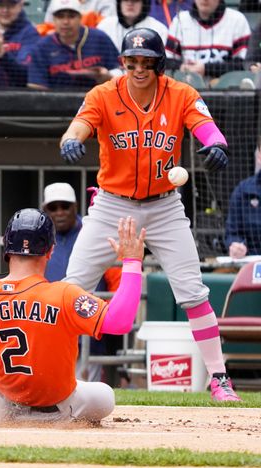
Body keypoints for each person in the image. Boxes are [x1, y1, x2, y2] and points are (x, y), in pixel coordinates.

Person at [58, 28, 242, 401]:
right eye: (132, 61)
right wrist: (72, 140)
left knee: (193, 292)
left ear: (159, 64)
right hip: (112, 205)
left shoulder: (180, 93)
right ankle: (56, 375)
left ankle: (219, 379)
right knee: (70, 289)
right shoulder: (103, 94)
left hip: (164, 207)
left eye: (146, 62)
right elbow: (78, 126)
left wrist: (217, 145)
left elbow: (207, 128)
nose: (139, 68)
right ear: (123, 62)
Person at [0, 209, 146, 423]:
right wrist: (132, 262)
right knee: (105, 395)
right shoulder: (64, 294)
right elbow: (120, 322)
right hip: (58, 410)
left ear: (7, 249)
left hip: (2, 407)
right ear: (50, 250)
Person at [42, 182, 122, 382]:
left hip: (87, 329)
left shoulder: (91, 233)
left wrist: (107, 317)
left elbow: (116, 280)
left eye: (65, 206)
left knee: (82, 396)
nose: (60, 212)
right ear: (45, 210)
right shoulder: (38, 237)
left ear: (75, 207)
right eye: (53, 207)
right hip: (48, 328)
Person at [26, 0, 120, 90]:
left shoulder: (99, 38)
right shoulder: (42, 47)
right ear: (53, 20)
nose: (65, 22)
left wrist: (108, 76)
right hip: (56, 103)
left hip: (98, 100)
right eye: (60, 17)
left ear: (80, 18)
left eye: (71, 16)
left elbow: (120, 70)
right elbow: (37, 86)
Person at [165, 0, 251, 80]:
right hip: (188, 88)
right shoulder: (180, 20)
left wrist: (206, 69)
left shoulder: (237, 20)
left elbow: (243, 65)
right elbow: (166, 61)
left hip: (226, 92)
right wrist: (182, 67)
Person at [98, 0, 168, 53]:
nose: (130, 3)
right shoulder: (105, 25)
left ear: (144, 3)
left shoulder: (158, 29)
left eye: (135, 0)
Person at [225, 156, 261, 258]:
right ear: (259, 156)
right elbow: (232, 233)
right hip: (251, 263)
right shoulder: (242, 190)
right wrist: (236, 246)